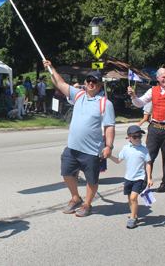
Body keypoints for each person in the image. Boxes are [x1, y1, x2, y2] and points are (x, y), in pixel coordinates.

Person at [43, 60, 115, 217]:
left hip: (91, 150)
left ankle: (87, 204)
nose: (90, 83)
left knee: (92, 180)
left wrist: (109, 146)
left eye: (94, 81)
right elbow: (60, 84)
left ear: (100, 84)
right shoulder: (79, 95)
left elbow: (109, 126)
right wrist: (50, 68)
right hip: (72, 147)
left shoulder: (105, 103)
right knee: (67, 172)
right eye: (88, 80)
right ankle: (75, 198)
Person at [128, 68, 165, 192]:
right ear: (158, 78)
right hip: (155, 127)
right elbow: (140, 103)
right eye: (163, 77)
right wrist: (133, 96)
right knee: (149, 155)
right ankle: (144, 181)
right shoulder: (152, 90)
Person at [110, 126, 152, 229]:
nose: (138, 139)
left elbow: (148, 164)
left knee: (133, 197)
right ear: (129, 138)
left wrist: (149, 178)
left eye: (139, 136)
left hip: (139, 178)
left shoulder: (144, 150)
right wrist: (109, 156)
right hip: (128, 178)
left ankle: (132, 218)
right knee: (129, 198)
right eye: (135, 137)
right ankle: (135, 214)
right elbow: (118, 160)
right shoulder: (125, 149)